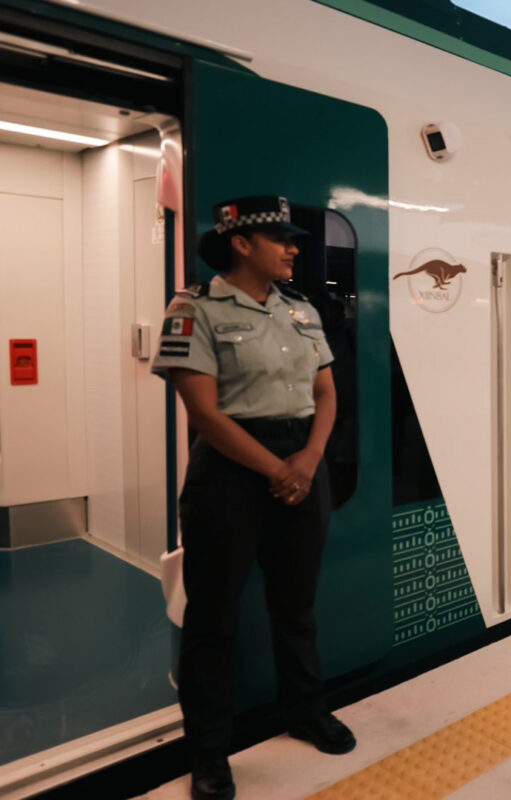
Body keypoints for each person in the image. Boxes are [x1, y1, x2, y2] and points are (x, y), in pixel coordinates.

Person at [152, 196, 355, 800]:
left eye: (294, 240)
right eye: (281, 239)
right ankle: (210, 750)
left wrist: (311, 460)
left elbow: (326, 393)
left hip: (301, 458)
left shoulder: (301, 310)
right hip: (232, 474)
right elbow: (204, 414)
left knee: (296, 604)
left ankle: (305, 709)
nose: (294, 248)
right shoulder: (195, 309)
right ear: (241, 244)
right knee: (212, 617)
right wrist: (278, 470)